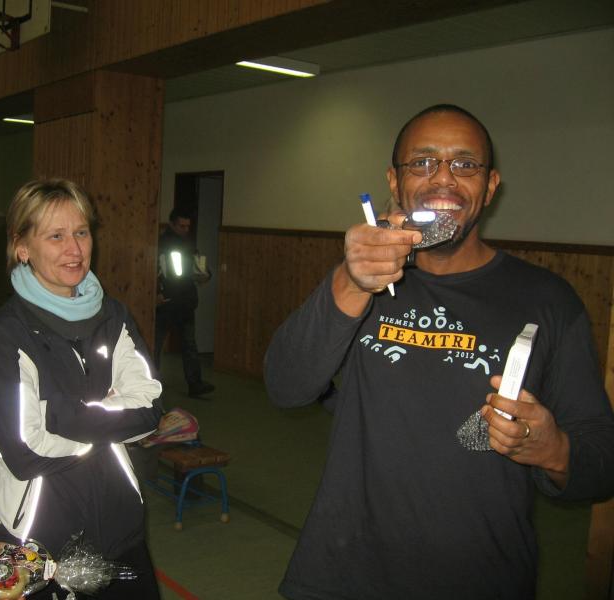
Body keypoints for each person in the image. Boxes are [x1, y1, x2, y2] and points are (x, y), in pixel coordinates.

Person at [264, 104, 614, 599]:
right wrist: (349, 281)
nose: (443, 178)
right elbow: (286, 386)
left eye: (464, 164)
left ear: (490, 187)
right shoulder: (358, 283)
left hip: (481, 578)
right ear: (394, 181)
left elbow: (602, 463)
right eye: (423, 162)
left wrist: (552, 449)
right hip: (343, 572)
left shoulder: (548, 300)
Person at [0, 178, 164, 599]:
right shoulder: (5, 334)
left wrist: (62, 416)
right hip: (42, 536)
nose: (75, 249)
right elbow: (25, 450)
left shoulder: (112, 316)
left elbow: (150, 409)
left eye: (81, 232)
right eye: (56, 236)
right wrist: (110, 416)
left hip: (120, 524)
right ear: (22, 247)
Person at [155, 206, 215, 397]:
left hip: (186, 301)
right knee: (156, 345)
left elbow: (200, 267)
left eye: (188, 226)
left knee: (189, 345)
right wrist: (156, 292)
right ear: (172, 224)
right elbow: (153, 270)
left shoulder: (189, 244)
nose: (185, 229)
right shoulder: (160, 244)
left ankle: (195, 384)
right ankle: (151, 385)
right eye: (182, 226)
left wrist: (206, 275)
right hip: (167, 301)